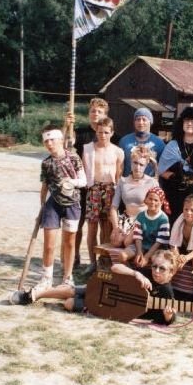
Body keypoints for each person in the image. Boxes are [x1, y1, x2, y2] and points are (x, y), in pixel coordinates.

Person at [9, 250, 178, 325]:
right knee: (73, 290)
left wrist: (169, 316)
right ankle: (34, 295)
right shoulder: (146, 273)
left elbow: (166, 319)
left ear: (171, 272)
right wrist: (136, 274)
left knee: (69, 303)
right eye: (155, 266)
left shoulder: (166, 292)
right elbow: (115, 267)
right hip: (106, 289)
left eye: (162, 269)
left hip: (110, 307)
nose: (156, 271)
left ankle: (53, 297)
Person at [31, 126, 87, 295]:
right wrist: (41, 207)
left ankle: (67, 277)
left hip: (72, 204)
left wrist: (71, 182)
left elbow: (84, 181)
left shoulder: (74, 158)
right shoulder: (46, 163)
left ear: (61, 140)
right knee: (49, 245)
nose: (49, 143)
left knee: (69, 243)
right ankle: (46, 278)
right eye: (46, 141)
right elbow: (44, 187)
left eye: (52, 140)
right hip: (52, 206)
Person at [64, 98, 115, 267]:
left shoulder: (112, 136)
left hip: (103, 188)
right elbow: (64, 146)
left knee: (104, 225)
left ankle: (102, 260)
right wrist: (66, 126)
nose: (95, 114)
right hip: (81, 187)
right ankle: (74, 256)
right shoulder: (79, 133)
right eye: (93, 111)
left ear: (105, 115)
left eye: (99, 112)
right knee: (77, 223)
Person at [81, 117, 124, 275]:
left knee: (107, 227)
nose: (103, 135)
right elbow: (84, 171)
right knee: (92, 227)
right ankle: (92, 262)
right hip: (94, 189)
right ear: (96, 132)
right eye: (100, 132)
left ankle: (104, 261)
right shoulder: (88, 149)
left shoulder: (118, 151)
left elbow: (119, 175)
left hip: (110, 190)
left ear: (111, 133)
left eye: (106, 132)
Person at [108, 145, 159, 259]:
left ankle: (136, 252)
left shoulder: (151, 182)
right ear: (131, 162)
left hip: (142, 220)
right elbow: (114, 207)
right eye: (135, 163)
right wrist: (116, 227)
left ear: (146, 165)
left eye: (141, 164)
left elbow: (157, 207)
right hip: (126, 219)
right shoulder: (123, 181)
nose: (137, 167)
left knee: (127, 242)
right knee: (116, 241)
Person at [169, 194, 193, 301]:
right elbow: (173, 244)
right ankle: (167, 287)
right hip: (182, 251)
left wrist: (186, 258)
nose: (188, 212)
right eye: (186, 209)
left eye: (192, 210)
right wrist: (177, 256)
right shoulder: (179, 222)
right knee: (170, 257)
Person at [122, 187, 171, 267]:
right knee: (122, 256)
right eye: (150, 199)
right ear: (146, 200)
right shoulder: (141, 216)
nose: (152, 202)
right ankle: (130, 271)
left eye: (156, 200)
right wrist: (139, 252)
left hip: (157, 248)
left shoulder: (163, 219)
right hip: (142, 245)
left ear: (161, 202)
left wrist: (146, 257)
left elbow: (159, 242)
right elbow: (138, 236)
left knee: (157, 261)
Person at [118, 108, 166, 177]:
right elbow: (119, 166)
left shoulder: (159, 143)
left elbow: (163, 168)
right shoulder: (124, 141)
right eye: (138, 119)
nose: (141, 122)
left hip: (149, 182)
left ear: (150, 122)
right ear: (134, 122)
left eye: (144, 119)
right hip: (128, 182)